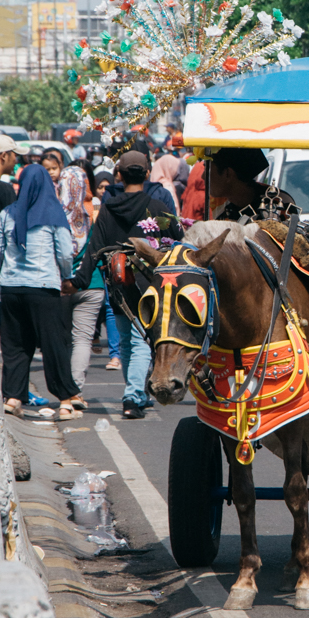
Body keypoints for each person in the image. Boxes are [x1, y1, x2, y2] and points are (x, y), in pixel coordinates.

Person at [64, 150, 183, 419]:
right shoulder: (157, 207)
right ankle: (133, 395)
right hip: (149, 287)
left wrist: (78, 282)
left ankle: (136, 393)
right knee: (142, 342)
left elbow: (95, 249)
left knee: (128, 342)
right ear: (148, 173)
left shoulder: (107, 209)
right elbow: (178, 239)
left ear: (119, 175)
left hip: (117, 285)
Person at [0, 164, 80, 420]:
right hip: (43, 288)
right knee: (53, 344)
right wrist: (65, 275)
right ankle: (64, 400)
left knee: (16, 345)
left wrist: (12, 259)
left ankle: (13, 398)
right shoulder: (54, 213)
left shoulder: (9, 213)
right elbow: (65, 253)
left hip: (10, 288)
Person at [59, 165, 103, 406]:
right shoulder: (95, 211)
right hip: (91, 283)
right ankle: (76, 390)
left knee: (63, 339)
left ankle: (65, 392)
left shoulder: (55, 213)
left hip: (61, 284)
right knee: (83, 340)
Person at [0, 135, 26, 359]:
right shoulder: (5, 190)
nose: (15, 161)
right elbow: (12, 231)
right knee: (11, 330)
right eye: (14, 156)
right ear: (3, 156)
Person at [210, 148, 295, 222]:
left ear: (227, 174)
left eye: (209, 170)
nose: (203, 176)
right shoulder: (219, 204)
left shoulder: (279, 201)